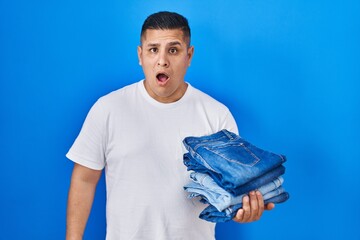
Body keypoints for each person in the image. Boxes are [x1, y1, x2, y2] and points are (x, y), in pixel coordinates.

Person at [66, 11, 275, 240]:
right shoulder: (108, 108)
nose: (162, 60)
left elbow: (231, 189)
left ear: (189, 55)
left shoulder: (216, 115)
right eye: (153, 49)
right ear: (140, 55)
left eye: (173, 50)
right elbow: (84, 179)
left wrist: (243, 210)